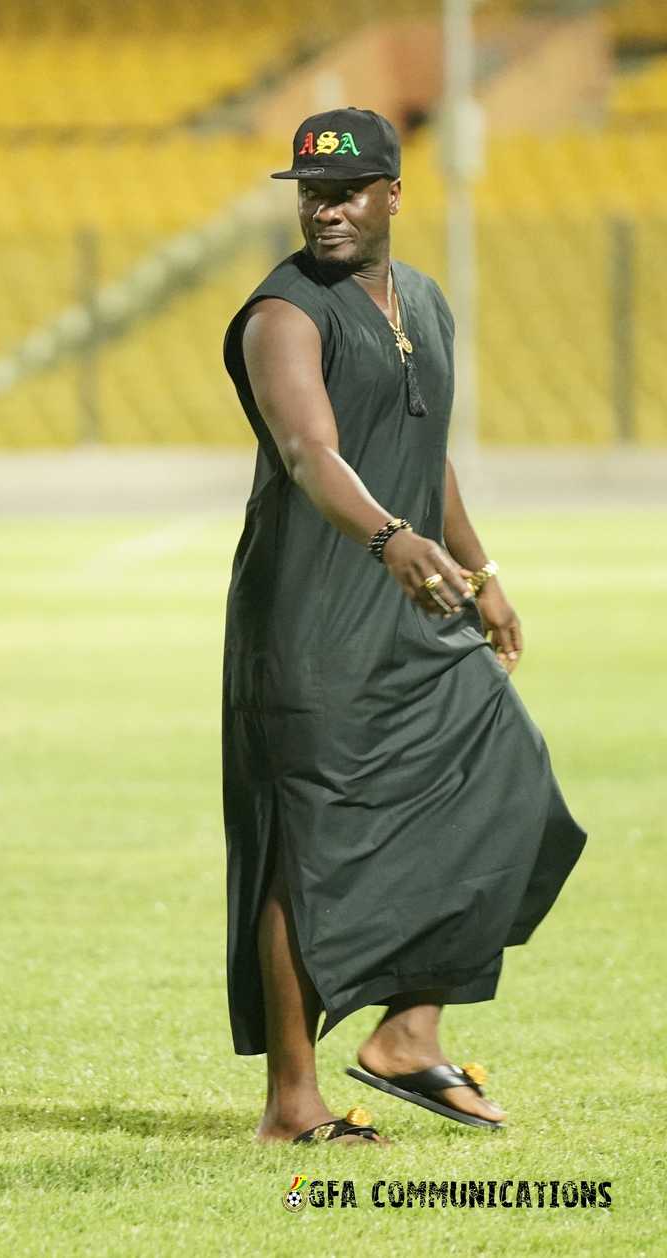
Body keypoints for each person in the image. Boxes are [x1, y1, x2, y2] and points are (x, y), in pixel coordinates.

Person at [221, 108, 586, 1145]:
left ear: (392, 193)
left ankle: (407, 1032)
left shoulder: (422, 299)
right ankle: (291, 1105)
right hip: (308, 615)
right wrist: (391, 540)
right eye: (309, 192)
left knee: (510, 782)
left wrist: (482, 570)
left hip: (416, 601)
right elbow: (309, 450)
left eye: (345, 190)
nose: (325, 209)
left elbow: (425, 453)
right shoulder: (282, 314)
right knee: (306, 850)